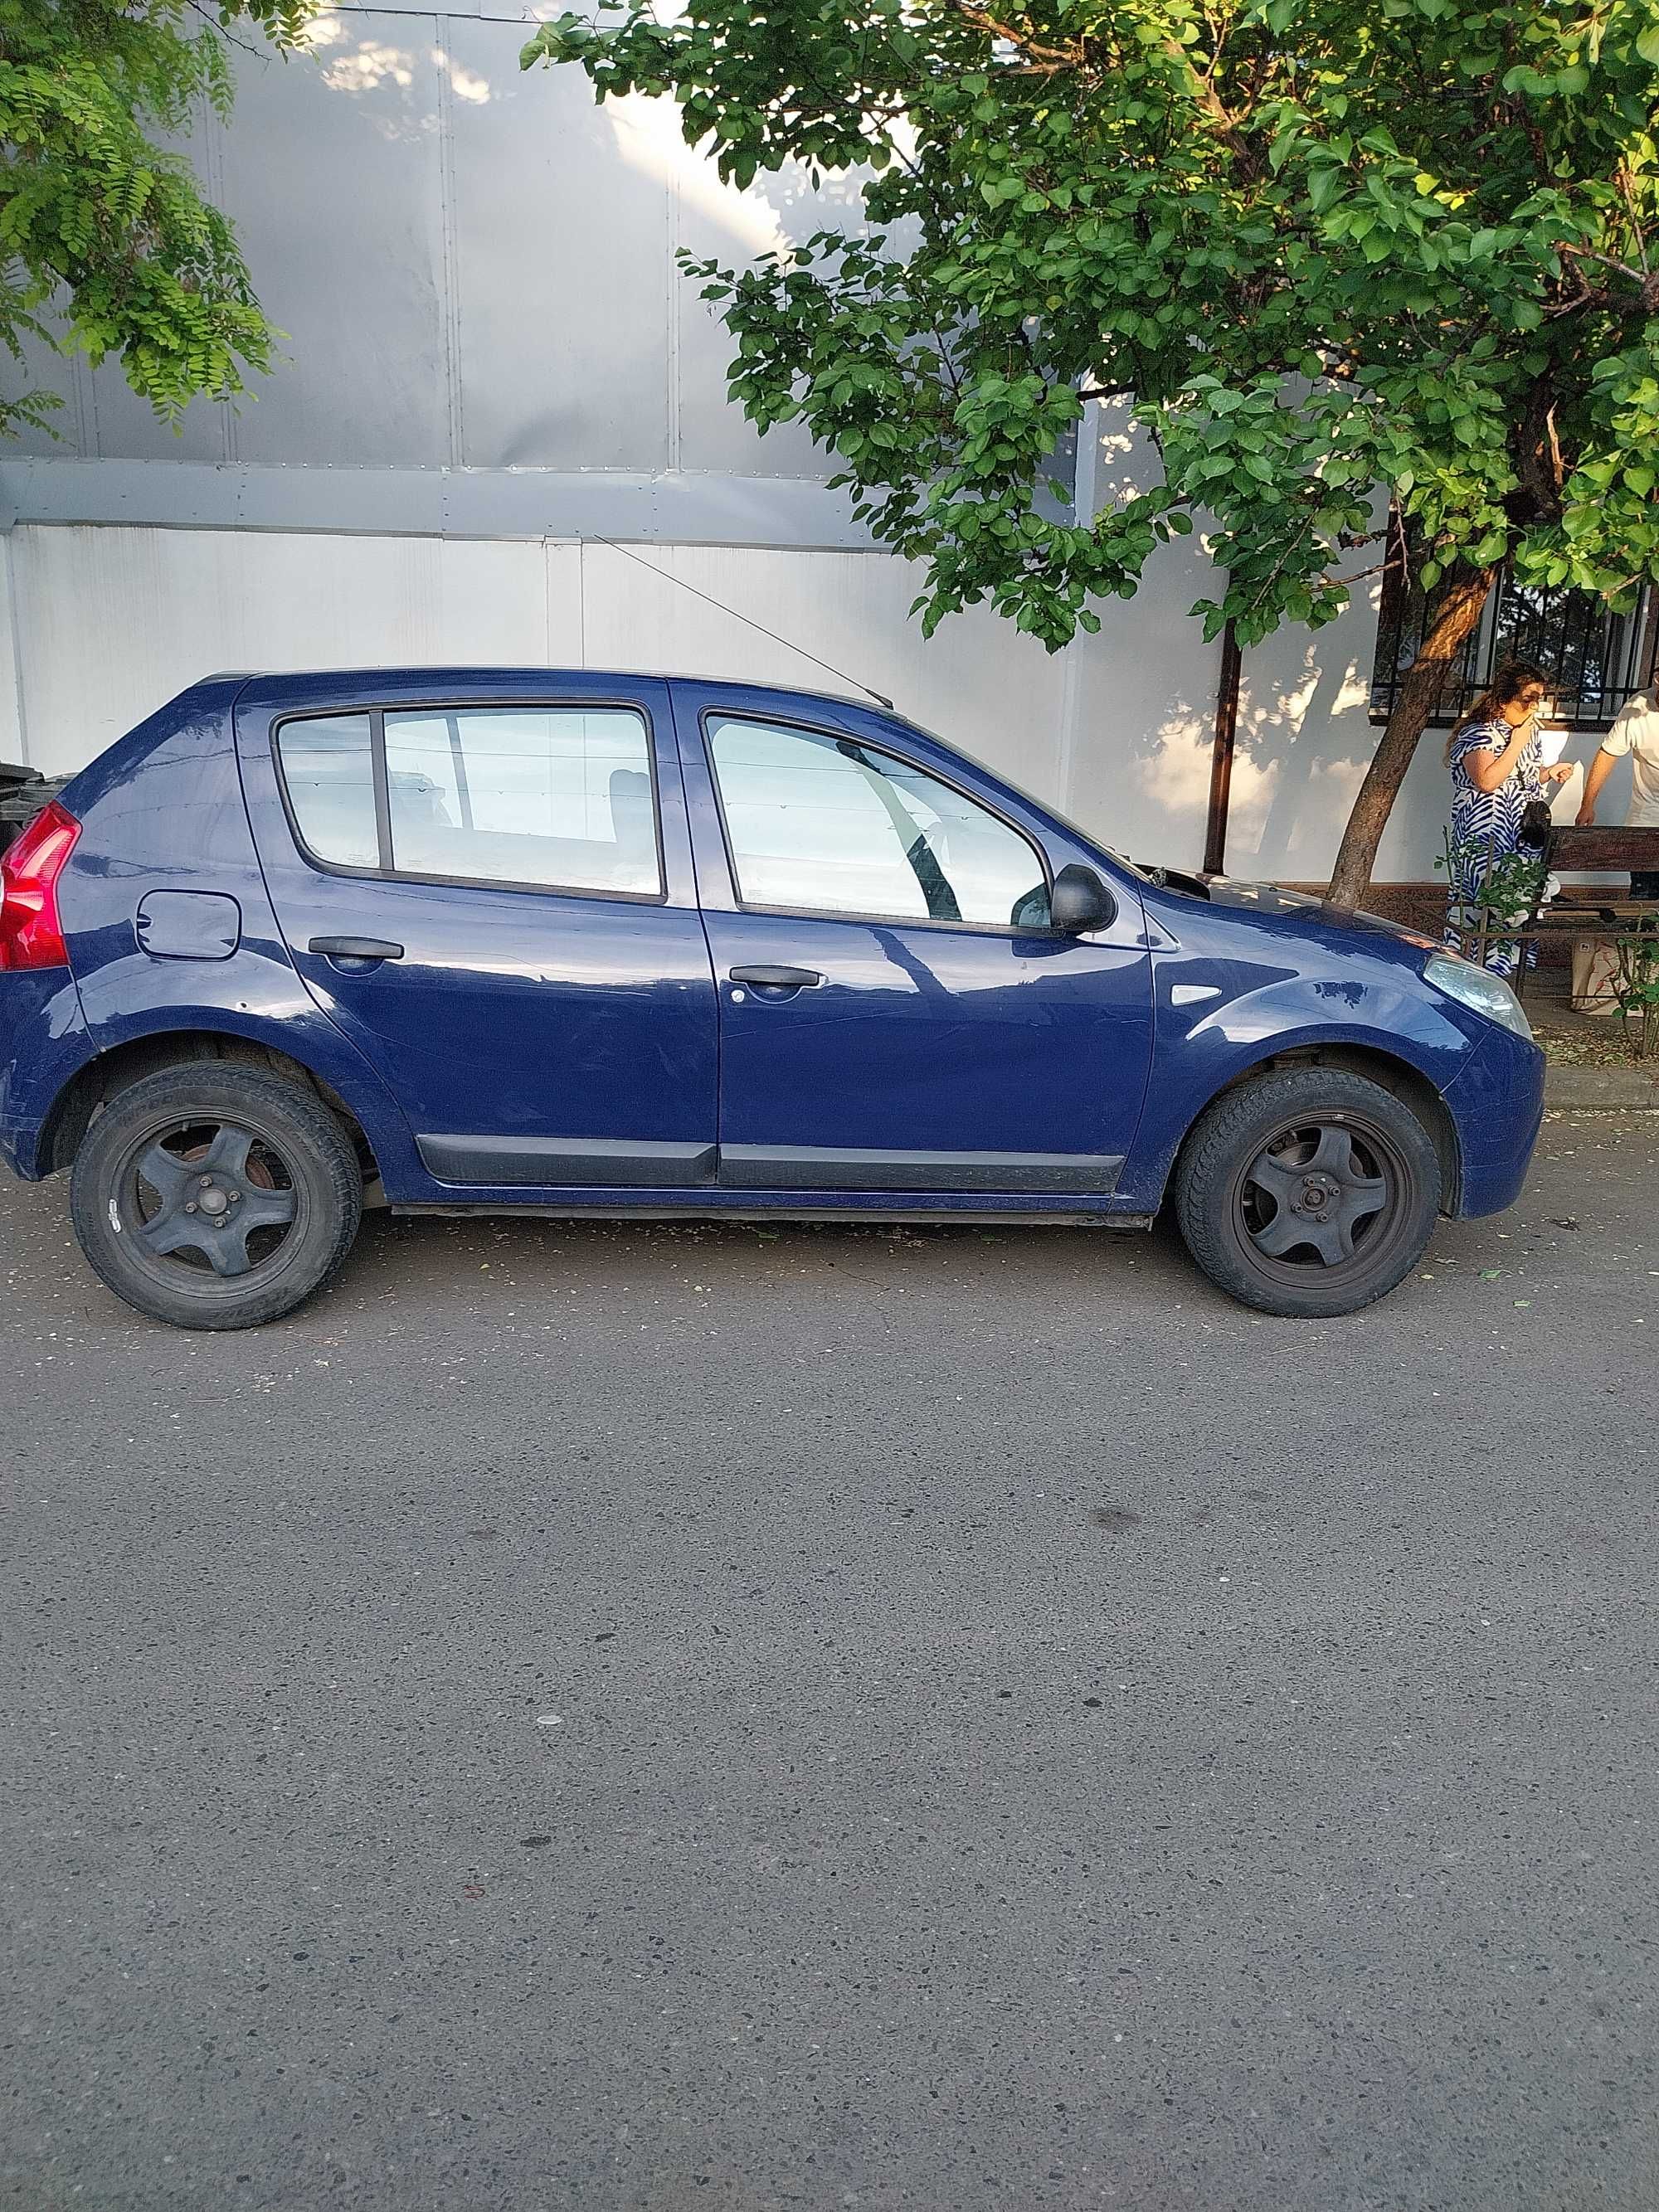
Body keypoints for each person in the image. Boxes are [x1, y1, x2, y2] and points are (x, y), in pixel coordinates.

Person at [1443, 660, 1575, 975]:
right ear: (1504, 700)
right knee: (1482, 903)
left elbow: (1519, 777)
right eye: (1527, 700)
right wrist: (1516, 742)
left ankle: (1506, 974)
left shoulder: (1526, 735)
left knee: (1516, 902)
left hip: (1519, 834)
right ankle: (1471, 972)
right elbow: (1488, 781)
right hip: (1484, 835)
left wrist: (1546, 773)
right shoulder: (1479, 734)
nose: (1533, 708)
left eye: (1537, 700)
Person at [1576, 673, 1659, 899]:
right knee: (1644, 898)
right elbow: (1608, 753)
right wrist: (1587, 804)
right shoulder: (1637, 709)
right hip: (1647, 818)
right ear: (1657, 679)